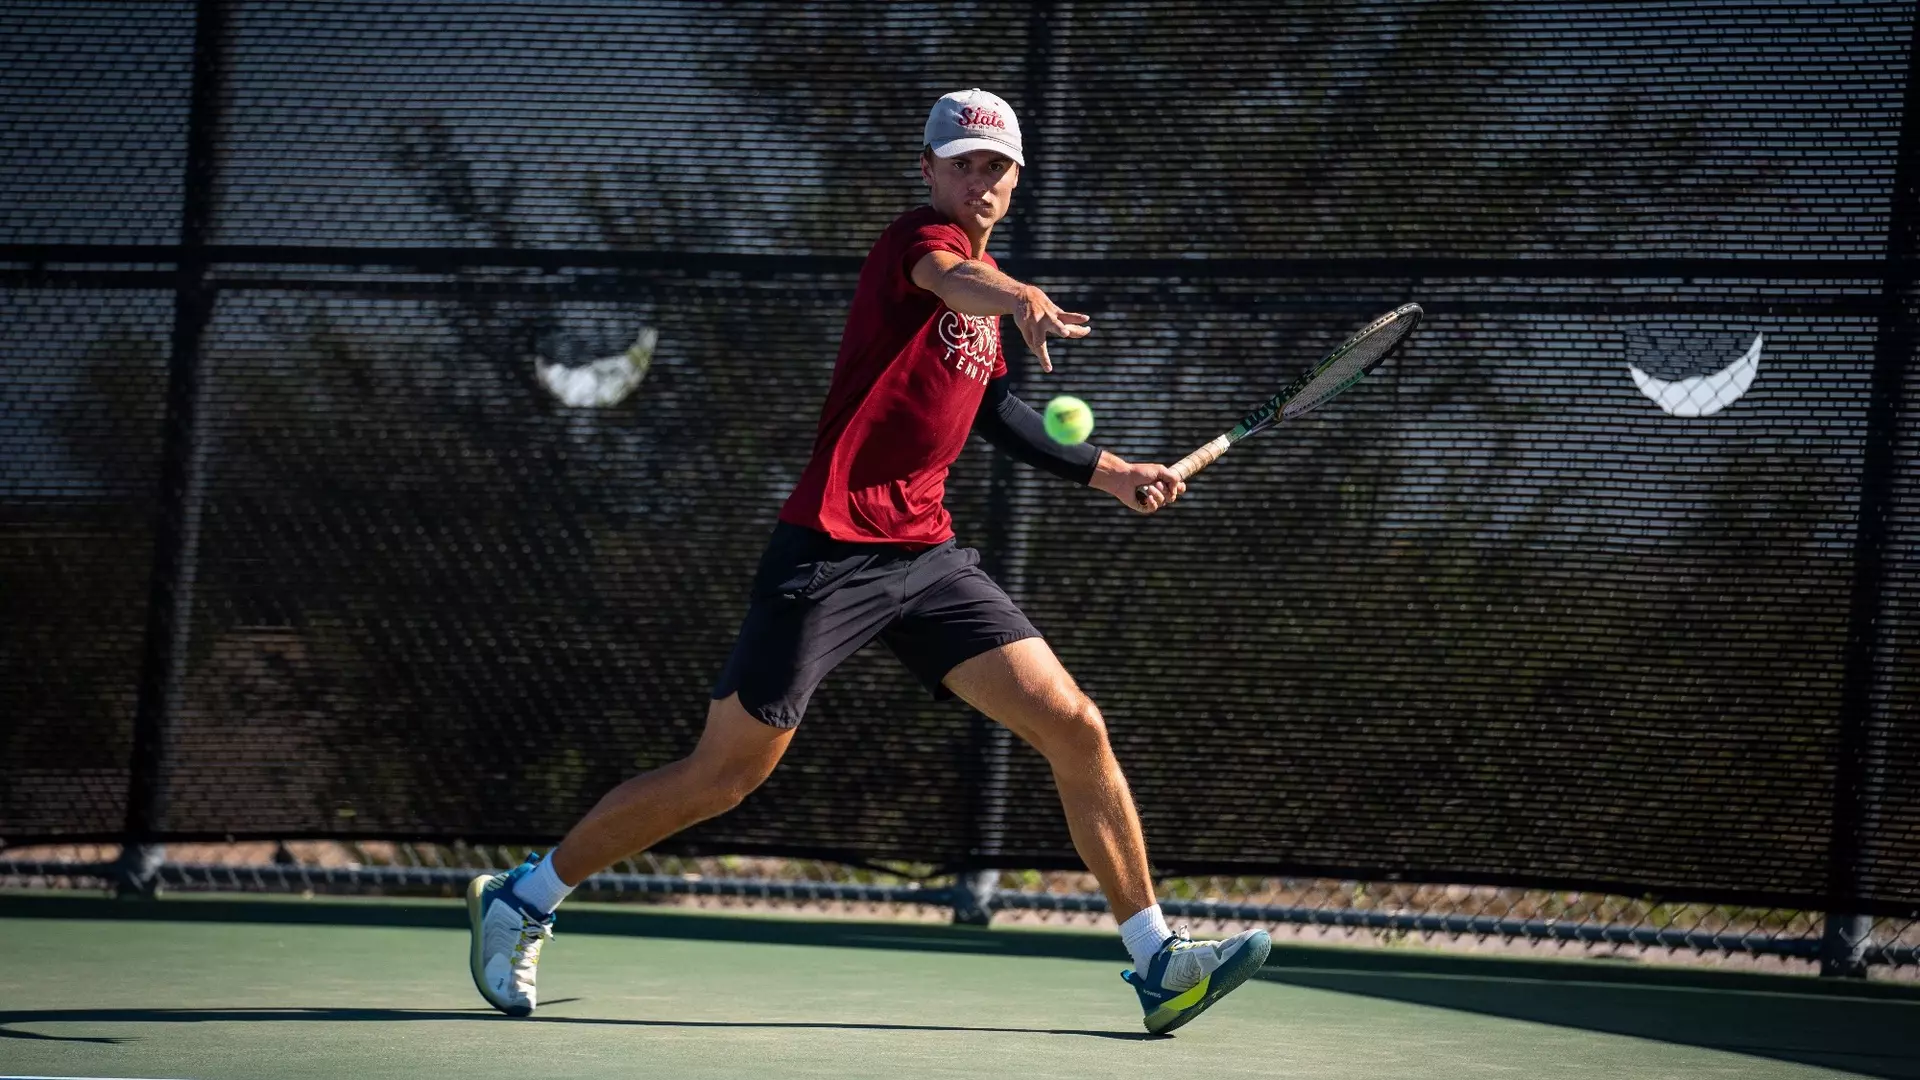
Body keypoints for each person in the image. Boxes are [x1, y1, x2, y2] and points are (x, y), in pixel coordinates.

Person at [468, 88, 1270, 1036]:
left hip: (926, 554)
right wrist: (1019, 299)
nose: (980, 178)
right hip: (830, 548)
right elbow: (949, 280)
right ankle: (523, 898)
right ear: (930, 171)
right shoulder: (919, 244)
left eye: (997, 165)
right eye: (963, 161)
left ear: (1015, 181)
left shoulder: (986, 280)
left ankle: (1157, 961)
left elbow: (998, 414)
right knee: (723, 776)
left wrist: (1113, 473)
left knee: (1075, 725)